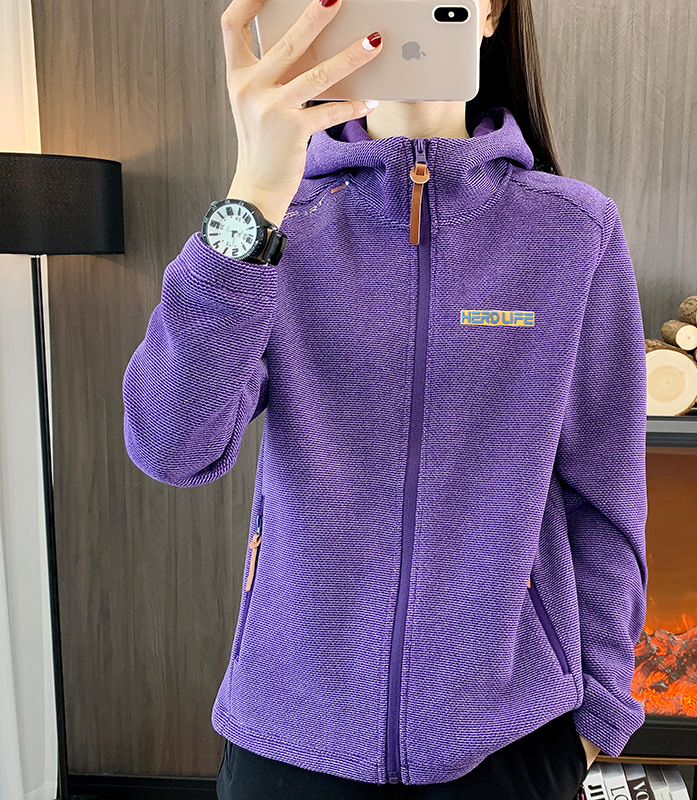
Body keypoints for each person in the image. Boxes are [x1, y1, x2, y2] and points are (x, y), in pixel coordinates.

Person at [121, 0, 648, 797]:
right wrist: (252, 194)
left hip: (508, 743)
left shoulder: (574, 230)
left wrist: (597, 717)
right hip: (289, 741)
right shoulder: (277, 222)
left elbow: (605, 496)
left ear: (490, 11)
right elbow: (170, 446)